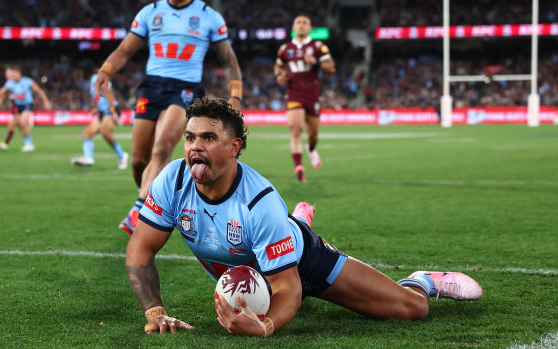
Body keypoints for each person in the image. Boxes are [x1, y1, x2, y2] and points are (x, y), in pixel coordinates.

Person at [126, 97, 483, 336]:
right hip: (257, 271)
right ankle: (294, 224)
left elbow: (288, 289)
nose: (194, 147)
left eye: (208, 137)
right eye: (189, 138)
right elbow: (139, 250)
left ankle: (424, 280)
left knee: (413, 310)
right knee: (271, 254)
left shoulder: (259, 203)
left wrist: (263, 327)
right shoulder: (172, 180)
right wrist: (155, 314)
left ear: (235, 147)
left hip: (303, 261)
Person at [93, 0, 243, 235]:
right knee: (138, 161)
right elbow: (125, 50)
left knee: (162, 148)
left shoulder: (208, 16)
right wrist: (105, 71)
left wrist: (236, 95)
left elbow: (228, 59)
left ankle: (139, 210)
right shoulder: (150, 12)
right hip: (151, 87)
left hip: (185, 88)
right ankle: (150, 199)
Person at [274, 15, 336, 182]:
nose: (301, 25)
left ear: (310, 28)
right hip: (294, 92)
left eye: (305, 23)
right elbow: (278, 65)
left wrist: (315, 62)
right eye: (298, 23)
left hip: (312, 94)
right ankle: (299, 166)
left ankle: (311, 147)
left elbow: (331, 68)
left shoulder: (318, 46)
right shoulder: (285, 48)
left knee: (313, 135)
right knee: (295, 129)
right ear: (294, 26)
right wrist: (280, 75)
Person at [71, 60, 129, 169]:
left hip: (110, 111)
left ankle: (122, 156)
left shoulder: (96, 79)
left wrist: (113, 111)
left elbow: (108, 93)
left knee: (104, 132)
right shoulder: (94, 79)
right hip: (103, 112)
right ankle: (88, 158)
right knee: (87, 133)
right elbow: (101, 97)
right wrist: (97, 109)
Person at [0, 65, 52, 152]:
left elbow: (39, 91)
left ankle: (29, 144)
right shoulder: (10, 83)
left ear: (19, 73)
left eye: (14, 73)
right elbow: (3, 92)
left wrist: (46, 102)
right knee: (15, 125)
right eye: (11, 73)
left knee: (22, 122)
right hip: (17, 106)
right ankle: (25, 143)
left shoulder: (27, 81)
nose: (12, 75)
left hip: (27, 104)